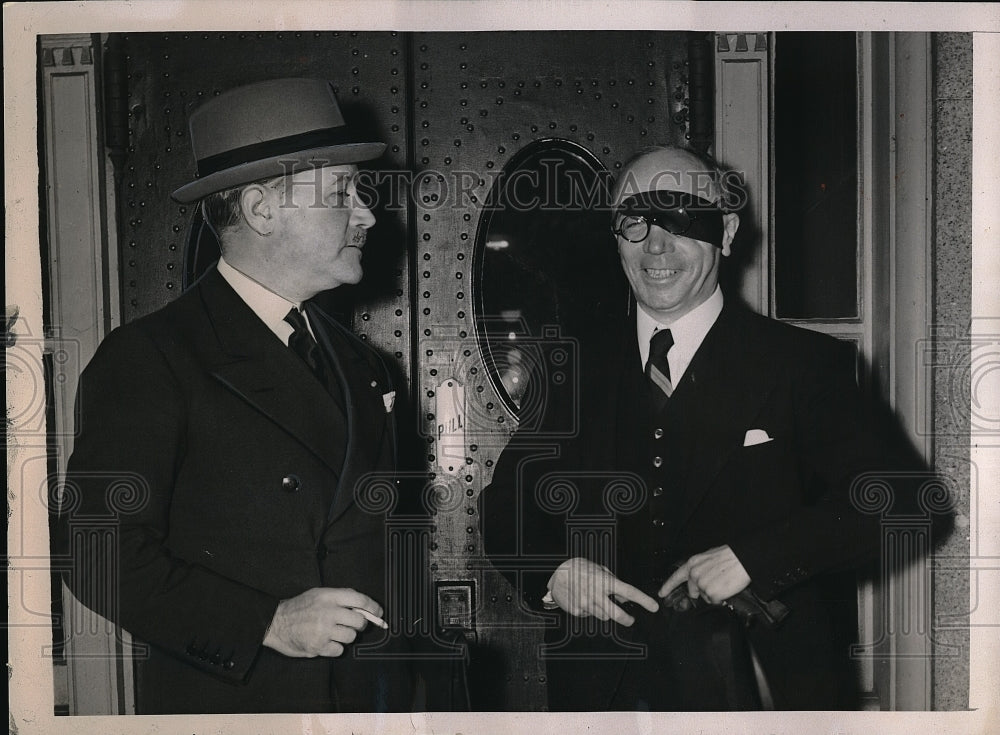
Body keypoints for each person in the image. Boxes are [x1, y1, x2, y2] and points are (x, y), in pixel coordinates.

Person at [480, 145, 939, 711]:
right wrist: (554, 570)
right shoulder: (569, 365)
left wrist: (754, 559)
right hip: (603, 697)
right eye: (635, 222)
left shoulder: (803, 365)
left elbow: (905, 501)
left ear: (724, 232)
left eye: (680, 219)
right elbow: (506, 507)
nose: (656, 245)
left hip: (757, 690)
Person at [60, 78, 414, 713]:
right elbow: (95, 551)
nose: (366, 213)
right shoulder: (153, 359)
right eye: (341, 194)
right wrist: (266, 624)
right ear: (261, 210)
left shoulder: (367, 368)